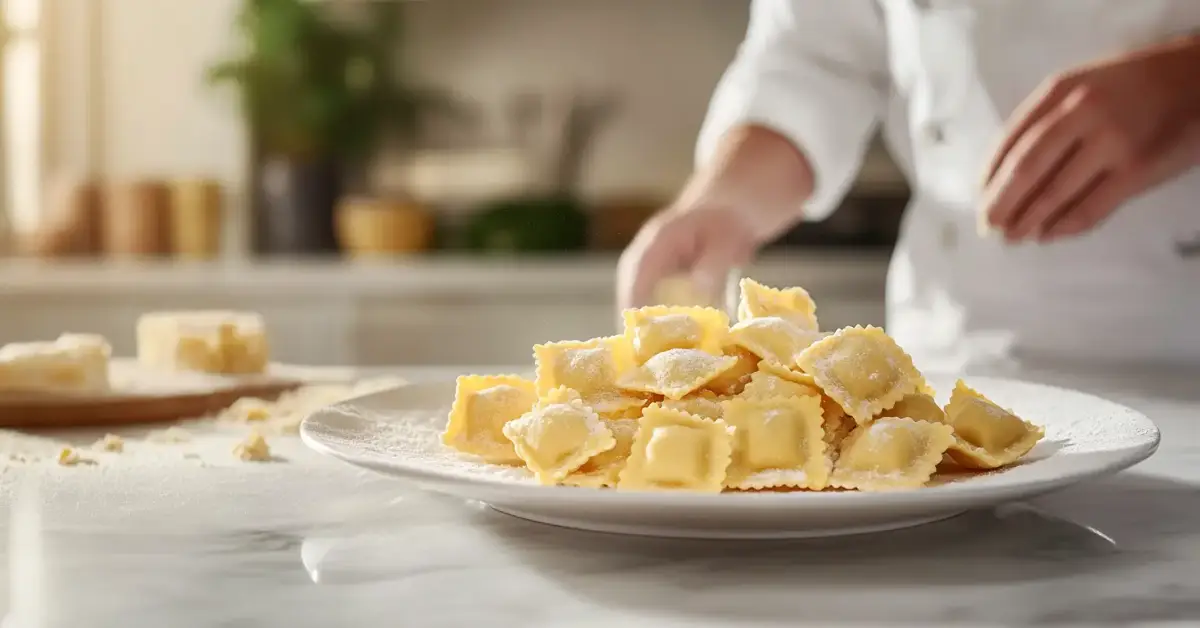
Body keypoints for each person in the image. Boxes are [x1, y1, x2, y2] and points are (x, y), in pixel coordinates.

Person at [618, 1, 1200, 373]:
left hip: (1179, 355)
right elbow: (816, 56)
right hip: (949, 356)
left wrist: (1184, 84)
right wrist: (723, 203)